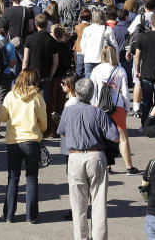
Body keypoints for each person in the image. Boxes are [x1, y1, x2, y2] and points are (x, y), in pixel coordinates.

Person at [58, 77, 120, 240]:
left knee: (78, 204)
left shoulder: (68, 111)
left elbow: (62, 132)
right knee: (99, 203)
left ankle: (81, 237)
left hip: (75, 157)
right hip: (96, 155)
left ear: (76, 93)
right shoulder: (97, 112)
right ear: (92, 93)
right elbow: (115, 136)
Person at [0, 68, 47, 224]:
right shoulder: (37, 97)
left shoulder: (11, 96)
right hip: (31, 140)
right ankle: (31, 216)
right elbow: (44, 123)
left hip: (14, 140)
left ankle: (8, 215)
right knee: (32, 178)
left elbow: (1, 116)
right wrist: (40, 129)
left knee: (13, 178)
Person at [89, 44, 138, 173]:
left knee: (103, 137)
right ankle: (129, 166)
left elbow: (93, 89)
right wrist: (127, 107)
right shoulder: (120, 70)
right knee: (123, 138)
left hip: (100, 106)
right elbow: (125, 92)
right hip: (117, 106)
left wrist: (94, 104)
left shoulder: (96, 70)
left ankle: (107, 165)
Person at [80, 8, 116, 78]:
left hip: (89, 58)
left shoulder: (87, 29)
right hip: (102, 58)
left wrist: (85, 53)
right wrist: (115, 59)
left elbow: (82, 45)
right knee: (101, 81)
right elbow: (114, 45)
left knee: (89, 81)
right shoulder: (107, 29)